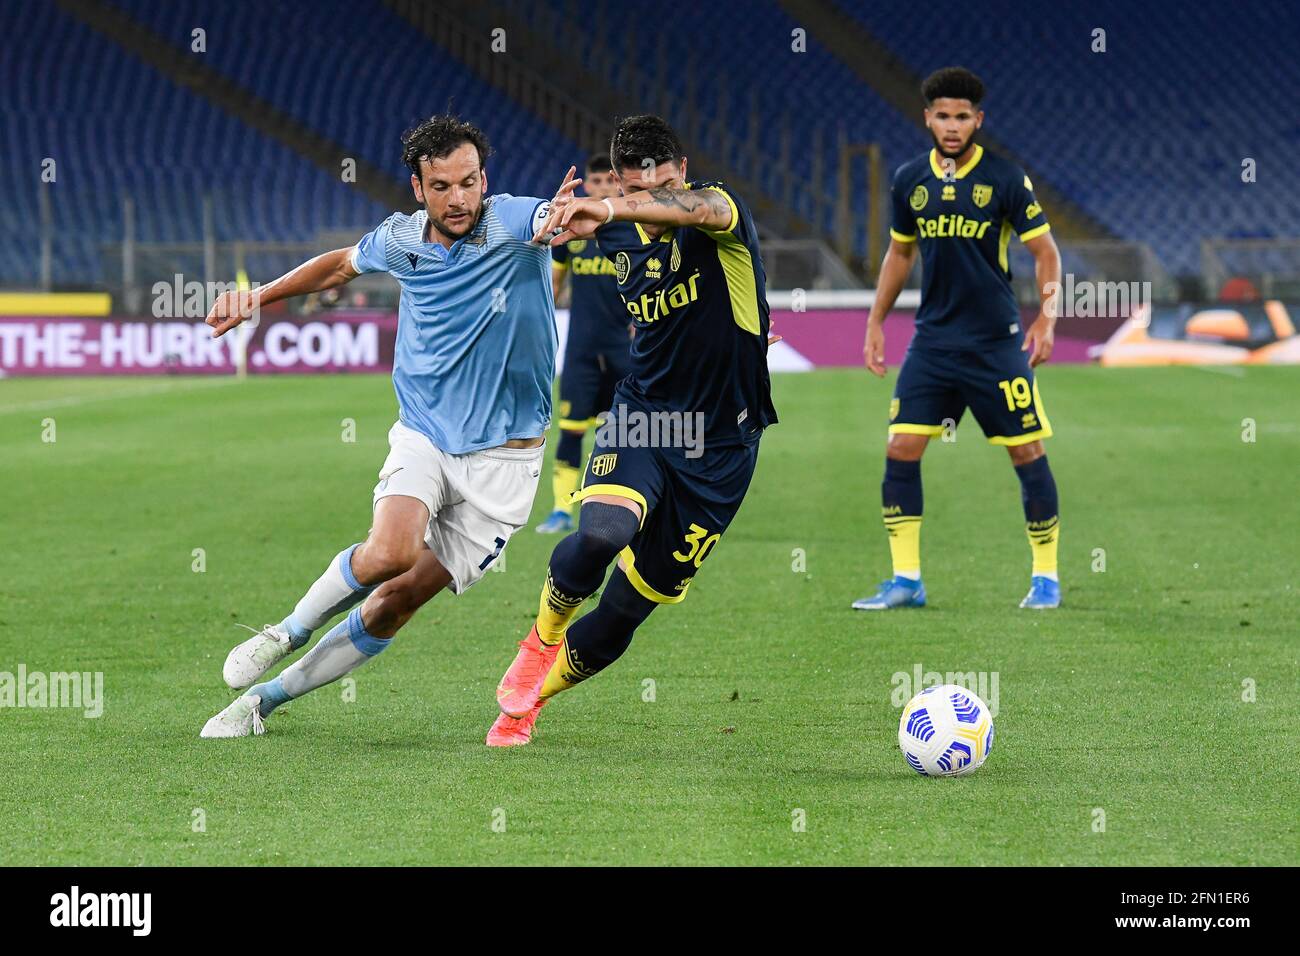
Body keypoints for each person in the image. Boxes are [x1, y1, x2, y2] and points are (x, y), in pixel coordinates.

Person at [199, 115, 579, 737]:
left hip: (507, 463)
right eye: (442, 186)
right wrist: (258, 297)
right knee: (390, 552)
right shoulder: (401, 241)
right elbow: (339, 266)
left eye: (469, 182)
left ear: (485, 179)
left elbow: (556, 220)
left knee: (395, 604)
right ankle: (285, 631)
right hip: (427, 432)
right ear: (417, 187)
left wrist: (569, 217)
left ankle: (261, 703)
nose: (459, 199)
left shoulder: (515, 222)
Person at [486, 115, 779, 747]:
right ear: (619, 179)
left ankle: (528, 704)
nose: (652, 196)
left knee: (624, 612)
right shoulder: (613, 240)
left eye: (663, 181)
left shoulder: (718, 207)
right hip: (647, 416)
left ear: (681, 169)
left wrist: (615, 206)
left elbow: (698, 214)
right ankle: (541, 639)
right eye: (636, 185)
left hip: (724, 447)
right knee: (601, 534)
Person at [854, 68, 1064, 612]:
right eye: (943, 115)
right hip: (933, 343)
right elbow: (900, 254)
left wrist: (1047, 319)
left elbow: (1046, 252)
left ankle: (1046, 577)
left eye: (962, 116)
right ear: (927, 117)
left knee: (1026, 450)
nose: (952, 126)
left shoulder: (1005, 178)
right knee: (900, 446)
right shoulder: (908, 181)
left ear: (978, 120)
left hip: (996, 343)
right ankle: (906, 580)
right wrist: (875, 321)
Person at [536, 154, 633, 534]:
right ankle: (561, 510)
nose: (604, 187)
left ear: (618, 185)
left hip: (624, 353)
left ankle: (614, 509)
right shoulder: (572, 237)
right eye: (597, 182)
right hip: (580, 350)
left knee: (622, 434)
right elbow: (553, 288)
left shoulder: (630, 231)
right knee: (572, 429)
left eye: (611, 181)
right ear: (588, 186)